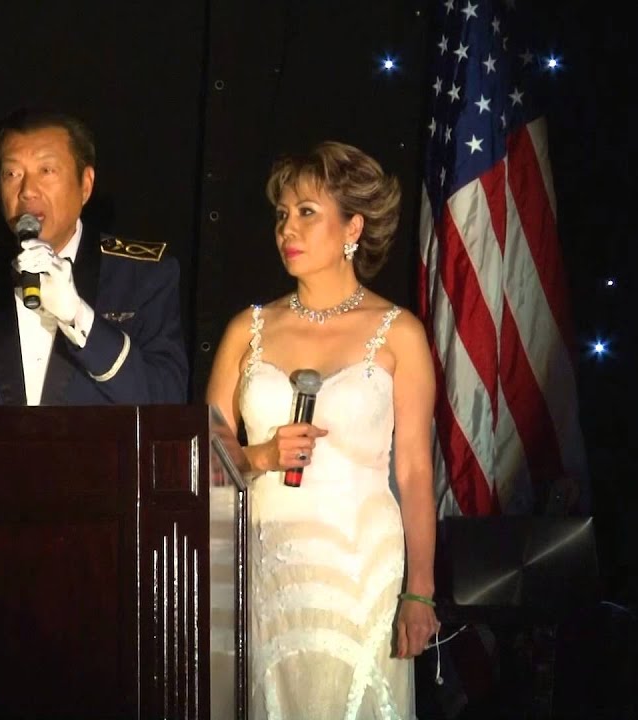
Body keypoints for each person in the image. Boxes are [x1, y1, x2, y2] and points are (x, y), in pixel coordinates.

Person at [206, 141, 439, 718]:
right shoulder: (246, 329)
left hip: (362, 565)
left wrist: (421, 589)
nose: (288, 228)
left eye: (307, 212)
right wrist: (261, 455)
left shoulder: (400, 333)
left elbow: (414, 471)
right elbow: (204, 457)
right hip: (264, 560)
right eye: (282, 214)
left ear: (353, 227)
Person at [0, 108, 188, 407]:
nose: (27, 191)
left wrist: (78, 316)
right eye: (12, 174)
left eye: (47, 171)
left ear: (85, 185)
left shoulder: (143, 277)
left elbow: (167, 399)